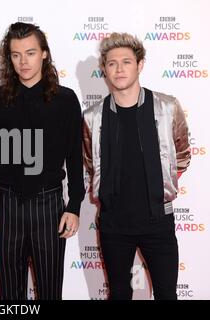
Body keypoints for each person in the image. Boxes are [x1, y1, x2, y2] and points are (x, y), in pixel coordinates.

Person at [0, 22, 85, 300]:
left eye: (30, 53)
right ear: (9, 58)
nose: (23, 62)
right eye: (16, 55)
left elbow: (75, 157)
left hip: (48, 205)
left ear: (44, 54)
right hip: (6, 204)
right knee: (9, 294)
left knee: (50, 291)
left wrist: (74, 206)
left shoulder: (65, 100)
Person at [83, 32, 191, 300]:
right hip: (113, 223)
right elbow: (89, 161)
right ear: (104, 70)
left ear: (140, 64)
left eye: (126, 62)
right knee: (119, 294)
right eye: (112, 63)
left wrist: (162, 184)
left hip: (158, 221)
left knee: (167, 294)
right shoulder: (92, 117)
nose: (119, 69)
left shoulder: (167, 107)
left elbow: (183, 153)